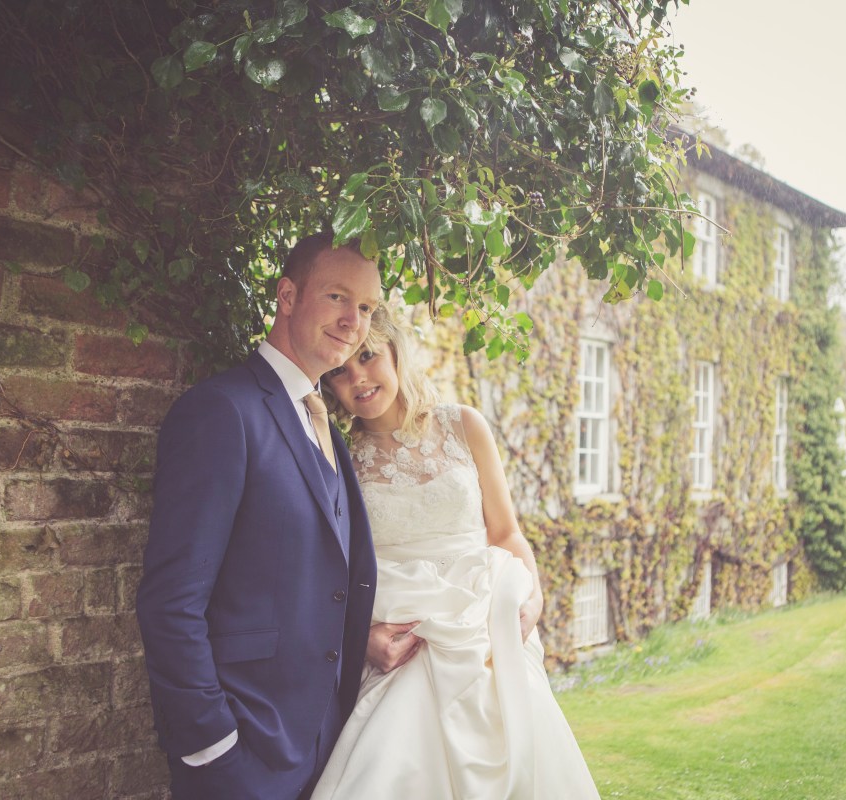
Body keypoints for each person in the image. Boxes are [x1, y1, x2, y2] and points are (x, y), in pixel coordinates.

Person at [136, 232, 409, 800]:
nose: (353, 321)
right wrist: (212, 745)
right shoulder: (222, 410)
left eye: (366, 307)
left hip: (327, 749)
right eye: (337, 297)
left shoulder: (327, 427)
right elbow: (171, 602)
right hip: (242, 756)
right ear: (287, 296)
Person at [312, 307, 600, 799]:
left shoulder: (464, 425)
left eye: (368, 356)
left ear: (395, 352)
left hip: (486, 622)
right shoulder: (337, 459)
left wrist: (534, 596)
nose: (357, 377)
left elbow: (506, 532)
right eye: (341, 370)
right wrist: (360, 638)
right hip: (406, 634)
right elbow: (329, 573)